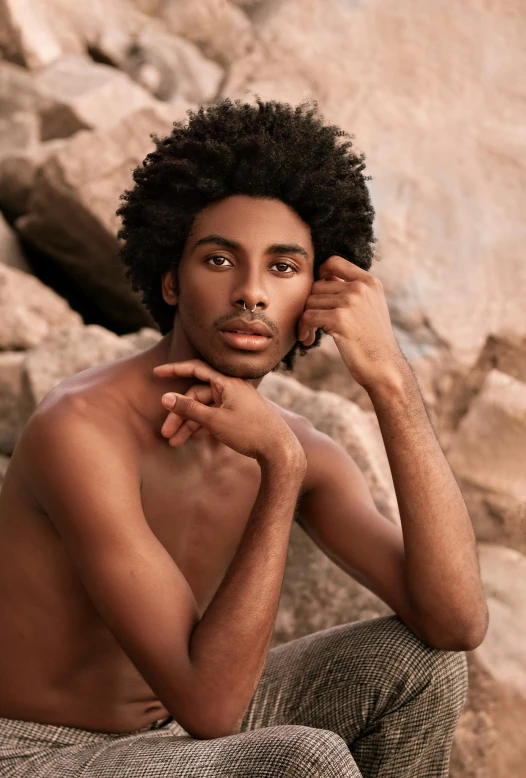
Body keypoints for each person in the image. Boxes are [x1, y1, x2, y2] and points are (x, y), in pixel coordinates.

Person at [0, 97, 487, 777]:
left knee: (422, 666)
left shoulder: (303, 445)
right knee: (303, 760)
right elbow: (213, 711)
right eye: (221, 260)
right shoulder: (81, 430)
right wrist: (280, 467)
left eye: (284, 268)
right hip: (34, 753)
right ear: (170, 279)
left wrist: (393, 384)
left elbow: (455, 623)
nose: (253, 292)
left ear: (316, 302)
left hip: (171, 737)